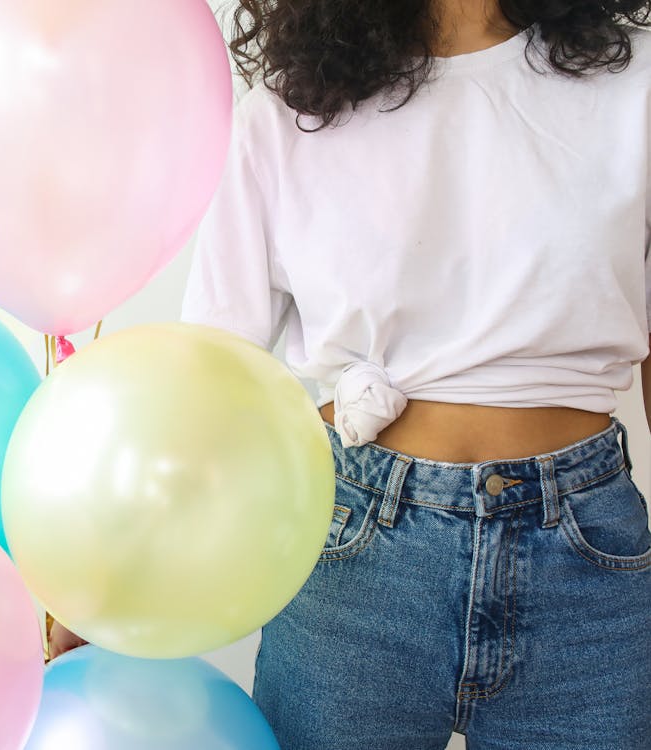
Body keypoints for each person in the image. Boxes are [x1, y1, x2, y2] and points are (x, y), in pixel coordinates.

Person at [50, 0, 651, 747]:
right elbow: (207, 381)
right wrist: (110, 578)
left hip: (587, 562)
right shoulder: (287, 115)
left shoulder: (633, 82)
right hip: (353, 552)